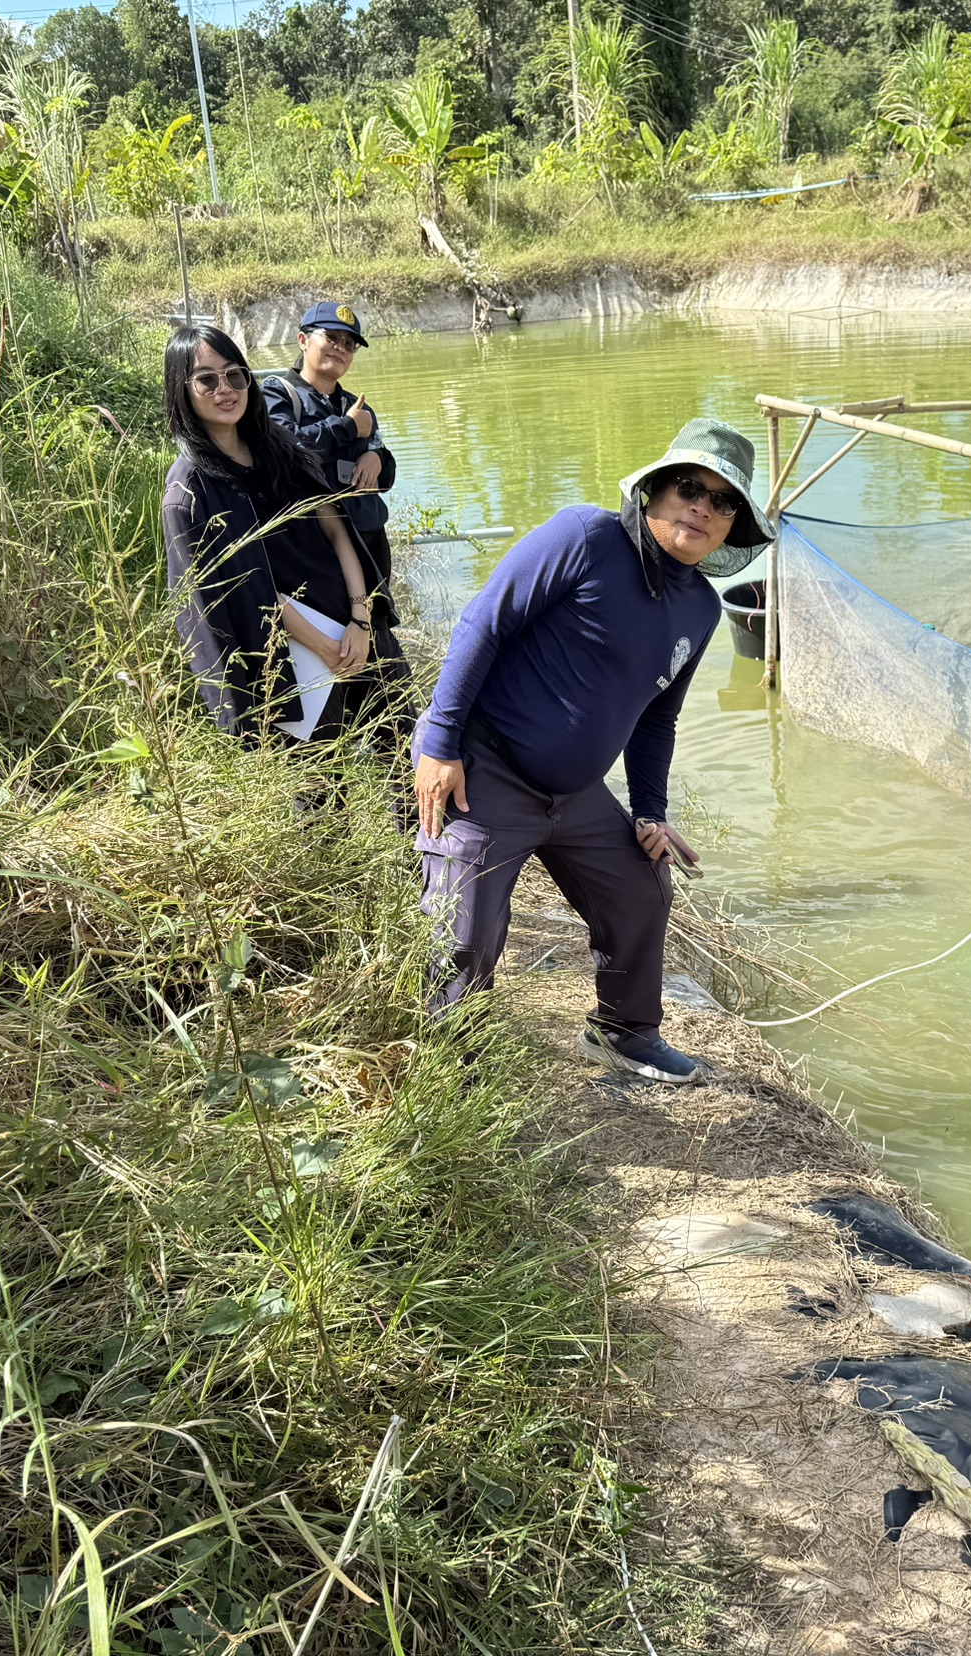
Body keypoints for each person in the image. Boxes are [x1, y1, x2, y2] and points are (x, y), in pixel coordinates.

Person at [414, 418, 774, 1085]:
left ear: (733, 525)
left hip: (574, 794)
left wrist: (652, 812)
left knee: (642, 889)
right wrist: (439, 743)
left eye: (723, 501)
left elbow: (656, 719)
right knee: (465, 932)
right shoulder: (583, 537)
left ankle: (623, 1030)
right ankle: (448, 1073)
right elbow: (483, 623)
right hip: (485, 765)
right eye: (689, 486)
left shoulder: (698, 607)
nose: (701, 506)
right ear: (657, 490)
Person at [161, 322, 410, 748]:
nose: (225, 389)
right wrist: (325, 647)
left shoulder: (276, 445)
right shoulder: (190, 492)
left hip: (354, 625)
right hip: (289, 658)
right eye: (206, 379)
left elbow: (335, 528)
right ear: (181, 391)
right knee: (321, 796)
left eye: (234, 375)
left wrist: (360, 619)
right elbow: (238, 594)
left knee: (406, 747)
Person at [260, 301, 399, 591]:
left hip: (370, 538)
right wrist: (347, 428)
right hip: (315, 544)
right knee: (335, 630)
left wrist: (377, 459)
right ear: (303, 340)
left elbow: (386, 477)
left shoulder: (358, 406)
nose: (340, 348)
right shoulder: (276, 394)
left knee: (377, 629)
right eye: (331, 338)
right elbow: (289, 449)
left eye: (349, 344)